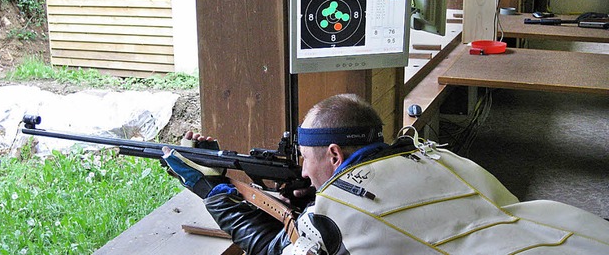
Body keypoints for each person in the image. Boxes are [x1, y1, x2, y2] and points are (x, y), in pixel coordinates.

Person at [161, 93, 609, 254]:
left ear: (334, 154)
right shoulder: (436, 155)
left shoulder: (336, 213)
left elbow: (276, 253)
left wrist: (212, 189)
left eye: (305, 156)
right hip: (581, 234)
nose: (301, 166)